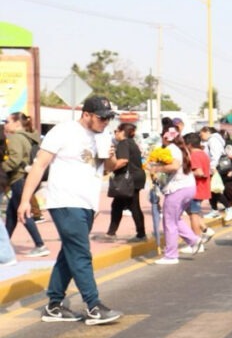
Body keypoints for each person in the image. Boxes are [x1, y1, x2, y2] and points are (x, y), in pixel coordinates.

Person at [18, 96, 123, 324]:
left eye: (109, 118)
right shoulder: (63, 131)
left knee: (70, 253)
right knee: (81, 253)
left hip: (88, 203)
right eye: (101, 117)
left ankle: (54, 305)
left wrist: (112, 156)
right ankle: (93, 305)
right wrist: (26, 199)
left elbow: (108, 168)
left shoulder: (103, 136)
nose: (106, 122)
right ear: (86, 114)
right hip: (65, 201)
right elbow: (40, 165)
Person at [148, 126, 204, 265]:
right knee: (175, 218)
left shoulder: (172, 149)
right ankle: (194, 241)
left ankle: (171, 255)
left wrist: (156, 168)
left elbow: (173, 166)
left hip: (177, 189)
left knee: (169, 222)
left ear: (166, 137)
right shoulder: (182, 149)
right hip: (188, 187)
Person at [3, 112, 48, 257]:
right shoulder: (29, 137)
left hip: (18, 179)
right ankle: (4, 246)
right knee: (11, 215)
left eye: (8, 121)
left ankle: (40, 245)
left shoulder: (16, 137)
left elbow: (15, 160)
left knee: (24, 213)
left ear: (17, 123)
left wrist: (2, 168)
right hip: (25, 178)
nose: (5, 124)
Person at [105, 123, 147, 241]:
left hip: (129, 179)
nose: (115, 134)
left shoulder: (123, 143)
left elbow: (123, 161)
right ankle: (111, 233)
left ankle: (141, 234)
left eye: (116, 131)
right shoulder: (132, 143)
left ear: (122, 132)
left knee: (133, 206)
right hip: (135, 177)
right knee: (118, 205)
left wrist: (109, 168)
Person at [184, 132, 216, 244]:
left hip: (196, 189)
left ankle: (196, 242)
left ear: (189, 145)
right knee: (193, 213)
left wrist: (184, 174)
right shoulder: (203, 154)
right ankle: (206, 230)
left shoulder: (195, 155)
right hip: (202, 188)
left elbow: (199, 172)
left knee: (193, 215)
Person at [200, 126, 226, 218]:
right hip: (212, 168)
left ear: (207, 131)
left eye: (201, 133)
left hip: (213, 168)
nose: (201, 136)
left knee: (215, 189)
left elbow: (215, 155)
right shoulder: (212, 140)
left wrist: (212, 167)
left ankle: (229, 207)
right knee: (213, 190)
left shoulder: (213, 140)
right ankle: (214, 210)